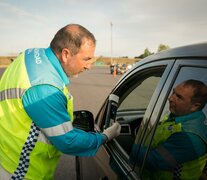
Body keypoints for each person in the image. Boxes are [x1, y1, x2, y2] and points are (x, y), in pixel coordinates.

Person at [0, 24, 121, 179]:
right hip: (20, 171)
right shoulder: (45, 89)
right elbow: (67, 141)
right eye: (86, 59)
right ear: (65, 54)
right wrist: (105, 137)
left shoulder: (30, 55)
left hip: (6, 152)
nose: (89, 66)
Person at [130, 79, 207, 180]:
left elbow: (154, 161)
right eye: (173, 92)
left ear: (194, 106)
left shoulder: (190, 136)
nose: (170, 98)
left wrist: (130, 145)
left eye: (179, 97)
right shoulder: (177, 115)